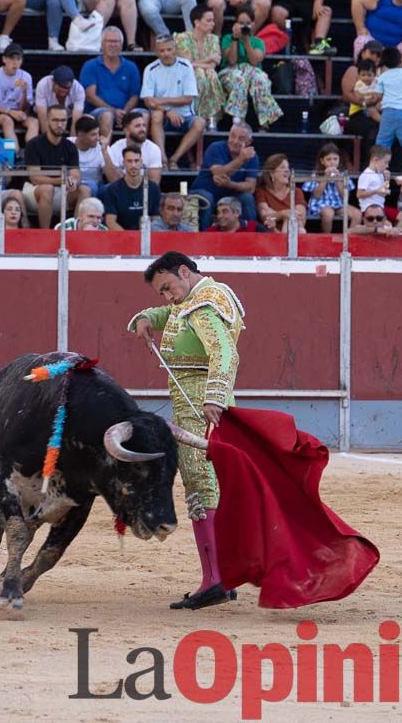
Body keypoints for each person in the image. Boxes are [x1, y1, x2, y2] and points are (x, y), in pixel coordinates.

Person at [128, 251, 245, 609]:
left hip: (199, 402)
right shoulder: (194, 298)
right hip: (191, 399)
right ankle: (221, 575)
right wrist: (147, 317)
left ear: (184, 271)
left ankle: (214, 580)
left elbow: (225, 354)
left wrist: (214, 398)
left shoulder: (205, 305)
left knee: (200, 481)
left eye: (167, 288)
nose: (167, 297)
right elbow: (172, 313)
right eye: (160, 293)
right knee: (211, 481)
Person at [141, 36, 206, 170]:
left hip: (185, 115)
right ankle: (163, 160)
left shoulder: (185, 66)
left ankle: (174, 159)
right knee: (157, 115)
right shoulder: (150, 69)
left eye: (169, 49)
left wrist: (163, 100)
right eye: (162, 50)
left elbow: (188, 98)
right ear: (157, 52)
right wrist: (168, 111)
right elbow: (148, 101)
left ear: (175, 49)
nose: (166, 53)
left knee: (200, 123)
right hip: (163, 115)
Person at [219, 5, 282, 130]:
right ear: (235, 24)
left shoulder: (258, 42)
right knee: (239, 79)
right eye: (241, 23)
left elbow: (254, 61)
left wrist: (247, 40)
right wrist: (235, 39)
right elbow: (231, 61)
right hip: (231, 72)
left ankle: (264, 123)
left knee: (261, 79)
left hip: (252, 71)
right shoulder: (227, 38)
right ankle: (238, 122)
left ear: (253, 24)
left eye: (247, 23)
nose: (244, 26)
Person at [190, 122, 260, 229]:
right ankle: (204, 238)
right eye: (232, 136)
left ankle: (250, 236)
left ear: (249, 142)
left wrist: (230, 184)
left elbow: (250, 187)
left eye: (241, 138)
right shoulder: (216, 147)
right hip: (204, 190)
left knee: (247, 198)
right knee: (207, 198)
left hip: (231, 195)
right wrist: (241, 160)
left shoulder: (252, 157)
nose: (235, 141)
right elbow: (219, 173)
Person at [25, 105, 85, 229]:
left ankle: (75, 231)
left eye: (63, 120)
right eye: (55, 120)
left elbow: (76, 174)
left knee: (85, 190)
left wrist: (73, 182)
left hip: (61, 191)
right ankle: (45, 234)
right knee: (47, 189)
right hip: (34, 191)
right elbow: (35, 178)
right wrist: (62, 180)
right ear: (47, 121)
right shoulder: (33, 144)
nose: (60, 124)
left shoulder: (70, 146)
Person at [80, 27, 143, 140]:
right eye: (108, 41)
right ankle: (105, 153)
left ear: (122, 44)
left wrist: (123, 113)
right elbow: (90, 96)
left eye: (116, 42)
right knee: (107, 115)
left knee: (143, 115)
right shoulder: (90, 66)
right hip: (97, 112)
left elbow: (134, 96)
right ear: (102, 44)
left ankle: (137, 153)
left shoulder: (131, 67)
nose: (112, 45)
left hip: (125, 111)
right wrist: (114, 111)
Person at [174, 5, 225, 125]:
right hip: (183, 76)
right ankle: (199, 116)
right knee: (199, 73)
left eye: (213, 20)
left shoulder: (213, 39)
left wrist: (198, 63)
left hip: (207, 74)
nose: (213, 23)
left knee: (210, 73)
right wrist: (208, 59)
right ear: (197, 22)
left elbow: (213, 64)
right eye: (209, 20)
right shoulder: (182, 38)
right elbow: (186, 65)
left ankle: (210, 117)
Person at [372, 47, 402, 164]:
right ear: (401, 61)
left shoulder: (383, 76)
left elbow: (377, 96)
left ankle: (379, 168)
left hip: (387, 113)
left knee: (382, 143)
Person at [0, 42, 36, 149]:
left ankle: (32, 153)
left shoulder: (26, 76)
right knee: (7, 121)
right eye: (12, 58)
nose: (15, 62)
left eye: (18, 59)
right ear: (4, 59)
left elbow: (24, 108)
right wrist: (11, 112)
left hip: (19, 112)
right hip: (0, 113)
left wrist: (25, 92)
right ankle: (14, 153)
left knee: (34, 122)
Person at [102, 145, 161, 230]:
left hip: (146, 237)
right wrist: (128, 239)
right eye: (129, 161)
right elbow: (110, 222)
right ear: (123, 163)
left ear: (141, 162)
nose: (133, 165)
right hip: (121, 238)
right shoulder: (113, 189)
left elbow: (156, 220)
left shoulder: (153, 188)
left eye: (136, 161)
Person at [300, 143, 355, 232]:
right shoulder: (316, 175)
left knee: (357, 214)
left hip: (338, 205)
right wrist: (325, 178)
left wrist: (338, 180)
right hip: (320, 205)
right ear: (322, 161)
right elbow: (316, 195)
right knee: (328, 213)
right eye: (328, 159)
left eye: (335, 159)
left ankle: (349, 238)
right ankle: (327, 237)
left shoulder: (342, 175)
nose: (332, 162)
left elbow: (344, 197)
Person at [105, 110, 163, 186]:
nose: (143, 129)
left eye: (144, 125)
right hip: (121, 190)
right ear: (126, 131)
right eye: (138, 126)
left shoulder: (153, 149)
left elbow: (154, 183)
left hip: (144, 190)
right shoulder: (116, 148)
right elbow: (113, 180)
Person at [254, 152, 306, 233]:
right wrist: (284, 213)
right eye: (282, 167)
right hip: (270, 234)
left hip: (295, 232)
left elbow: (301, 218)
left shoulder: (296, 191)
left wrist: (276, 214)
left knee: (297, 226)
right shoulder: (262, 192)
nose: (287, 170)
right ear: (272, 173)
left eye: (288, 168)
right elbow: (265, 217)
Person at [34, 65, 85, 134]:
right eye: (61, 88)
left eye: (67, 88)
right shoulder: (43, 84)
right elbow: (42, 117)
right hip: (48, 117)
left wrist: (73, 141)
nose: (64, 91)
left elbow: (76, 119)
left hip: (68, 118)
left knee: (87, 120)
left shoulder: (78, 89)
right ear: (53, 82)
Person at [69, 114, 109, 200]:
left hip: (97, 187)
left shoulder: (101, 146)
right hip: (73, 187)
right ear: (81, 135)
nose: (98, 138)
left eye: (98, 133)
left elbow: (113, 179)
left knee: (109, 188)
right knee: (90, 186)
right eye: (93, 134)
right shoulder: (67, 144)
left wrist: (105, 151)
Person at [356, 143, 392, 219]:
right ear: (375, 160)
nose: (387, 166)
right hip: (369, 209)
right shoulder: (366, 174)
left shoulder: (380, 173)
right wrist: (375, 191)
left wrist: (387, 180)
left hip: (380, 207)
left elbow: (383, 194)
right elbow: (359, 194)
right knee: (387, 225)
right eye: (386, 162)